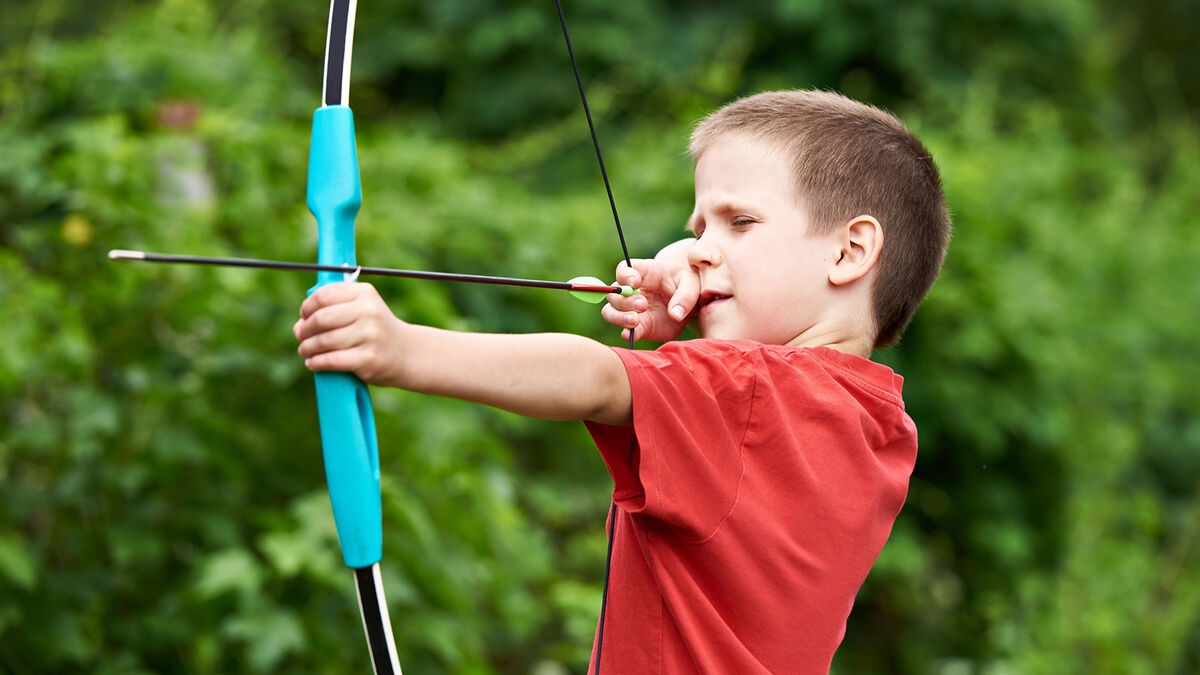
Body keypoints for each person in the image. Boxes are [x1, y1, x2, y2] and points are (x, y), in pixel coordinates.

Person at [294, 89, 951, 673]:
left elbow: (597, 378)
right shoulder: (878, 426)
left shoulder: (747, 395)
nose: (700, 249)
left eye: (740, 221)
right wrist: (700, 327)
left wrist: (401, 348)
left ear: (850, 251)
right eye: (697, 228)